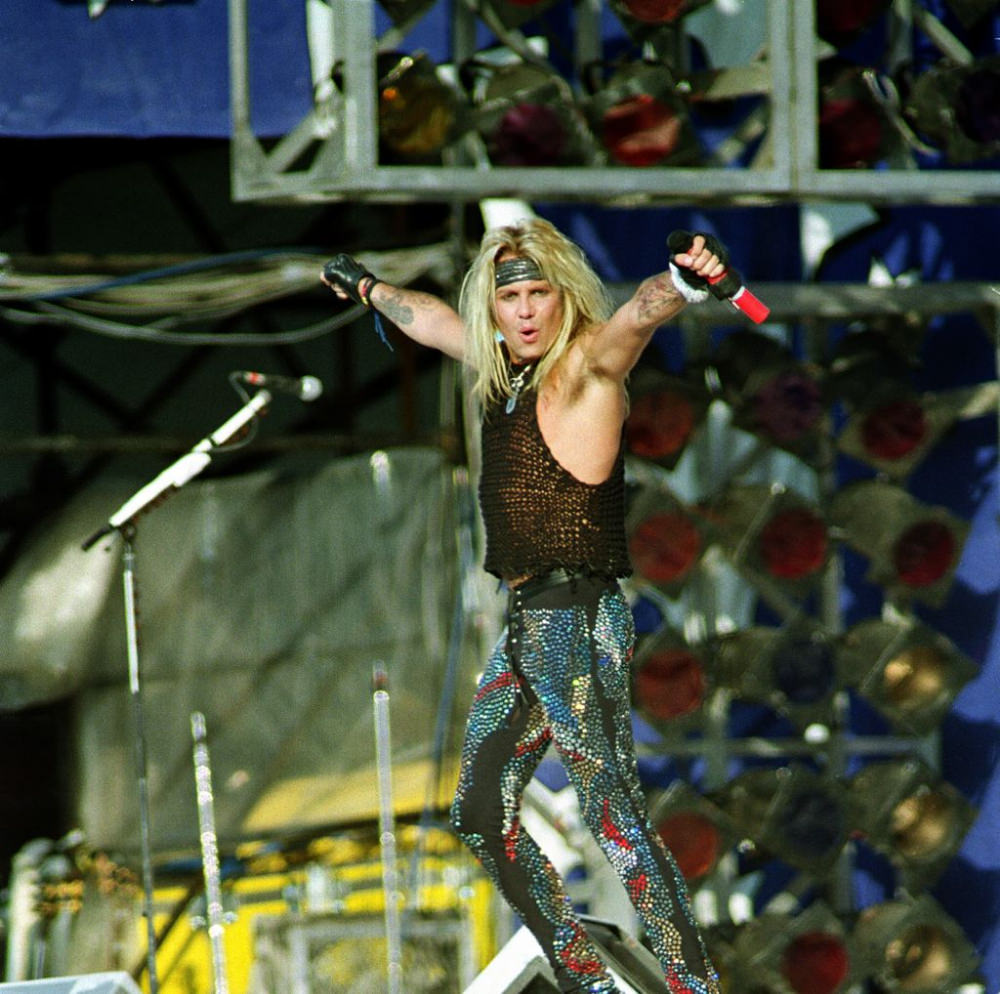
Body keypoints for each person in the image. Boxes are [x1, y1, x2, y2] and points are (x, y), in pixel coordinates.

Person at [322, 217, 725, 994]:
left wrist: (678, 284)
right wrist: (371, 289)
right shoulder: (500, 370)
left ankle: (694, 986)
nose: (528, 312)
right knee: (479, 812)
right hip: (528, 626)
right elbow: (435, 320)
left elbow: (634, 321)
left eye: (542, 294)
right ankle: (585, 977)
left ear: (564, 298)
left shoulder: (584, 368)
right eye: (514, 299)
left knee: (614, 815)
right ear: (496, 309)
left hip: (575, 616)